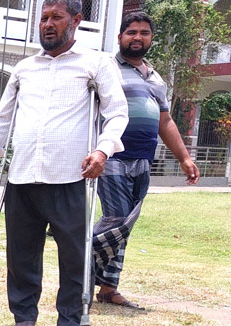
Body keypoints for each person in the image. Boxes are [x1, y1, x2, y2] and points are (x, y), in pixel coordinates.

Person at [0, 0, 128, 326]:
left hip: (70, 177)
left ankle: (70, 323)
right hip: (22, 175)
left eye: (56, 17)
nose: (47, 24)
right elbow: (3, 118)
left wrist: (103, 149)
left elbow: (117, 112)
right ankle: (24, 316)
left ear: (76, 20)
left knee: (73, 255)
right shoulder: (25, 68)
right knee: (21, 253)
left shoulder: (96, 63)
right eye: (43, 18)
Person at [94, 11, 200, 310]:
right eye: (131, 32)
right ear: (120, 37)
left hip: (143, 160)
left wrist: (184, 158)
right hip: (111, 155)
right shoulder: (106, 68)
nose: (137, 37)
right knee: (117, 219)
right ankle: (79, 269)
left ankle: (108, 288)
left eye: (143, 32)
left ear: (151, 39)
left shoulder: (155, 77)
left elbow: (165, 121)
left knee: (127, 224)